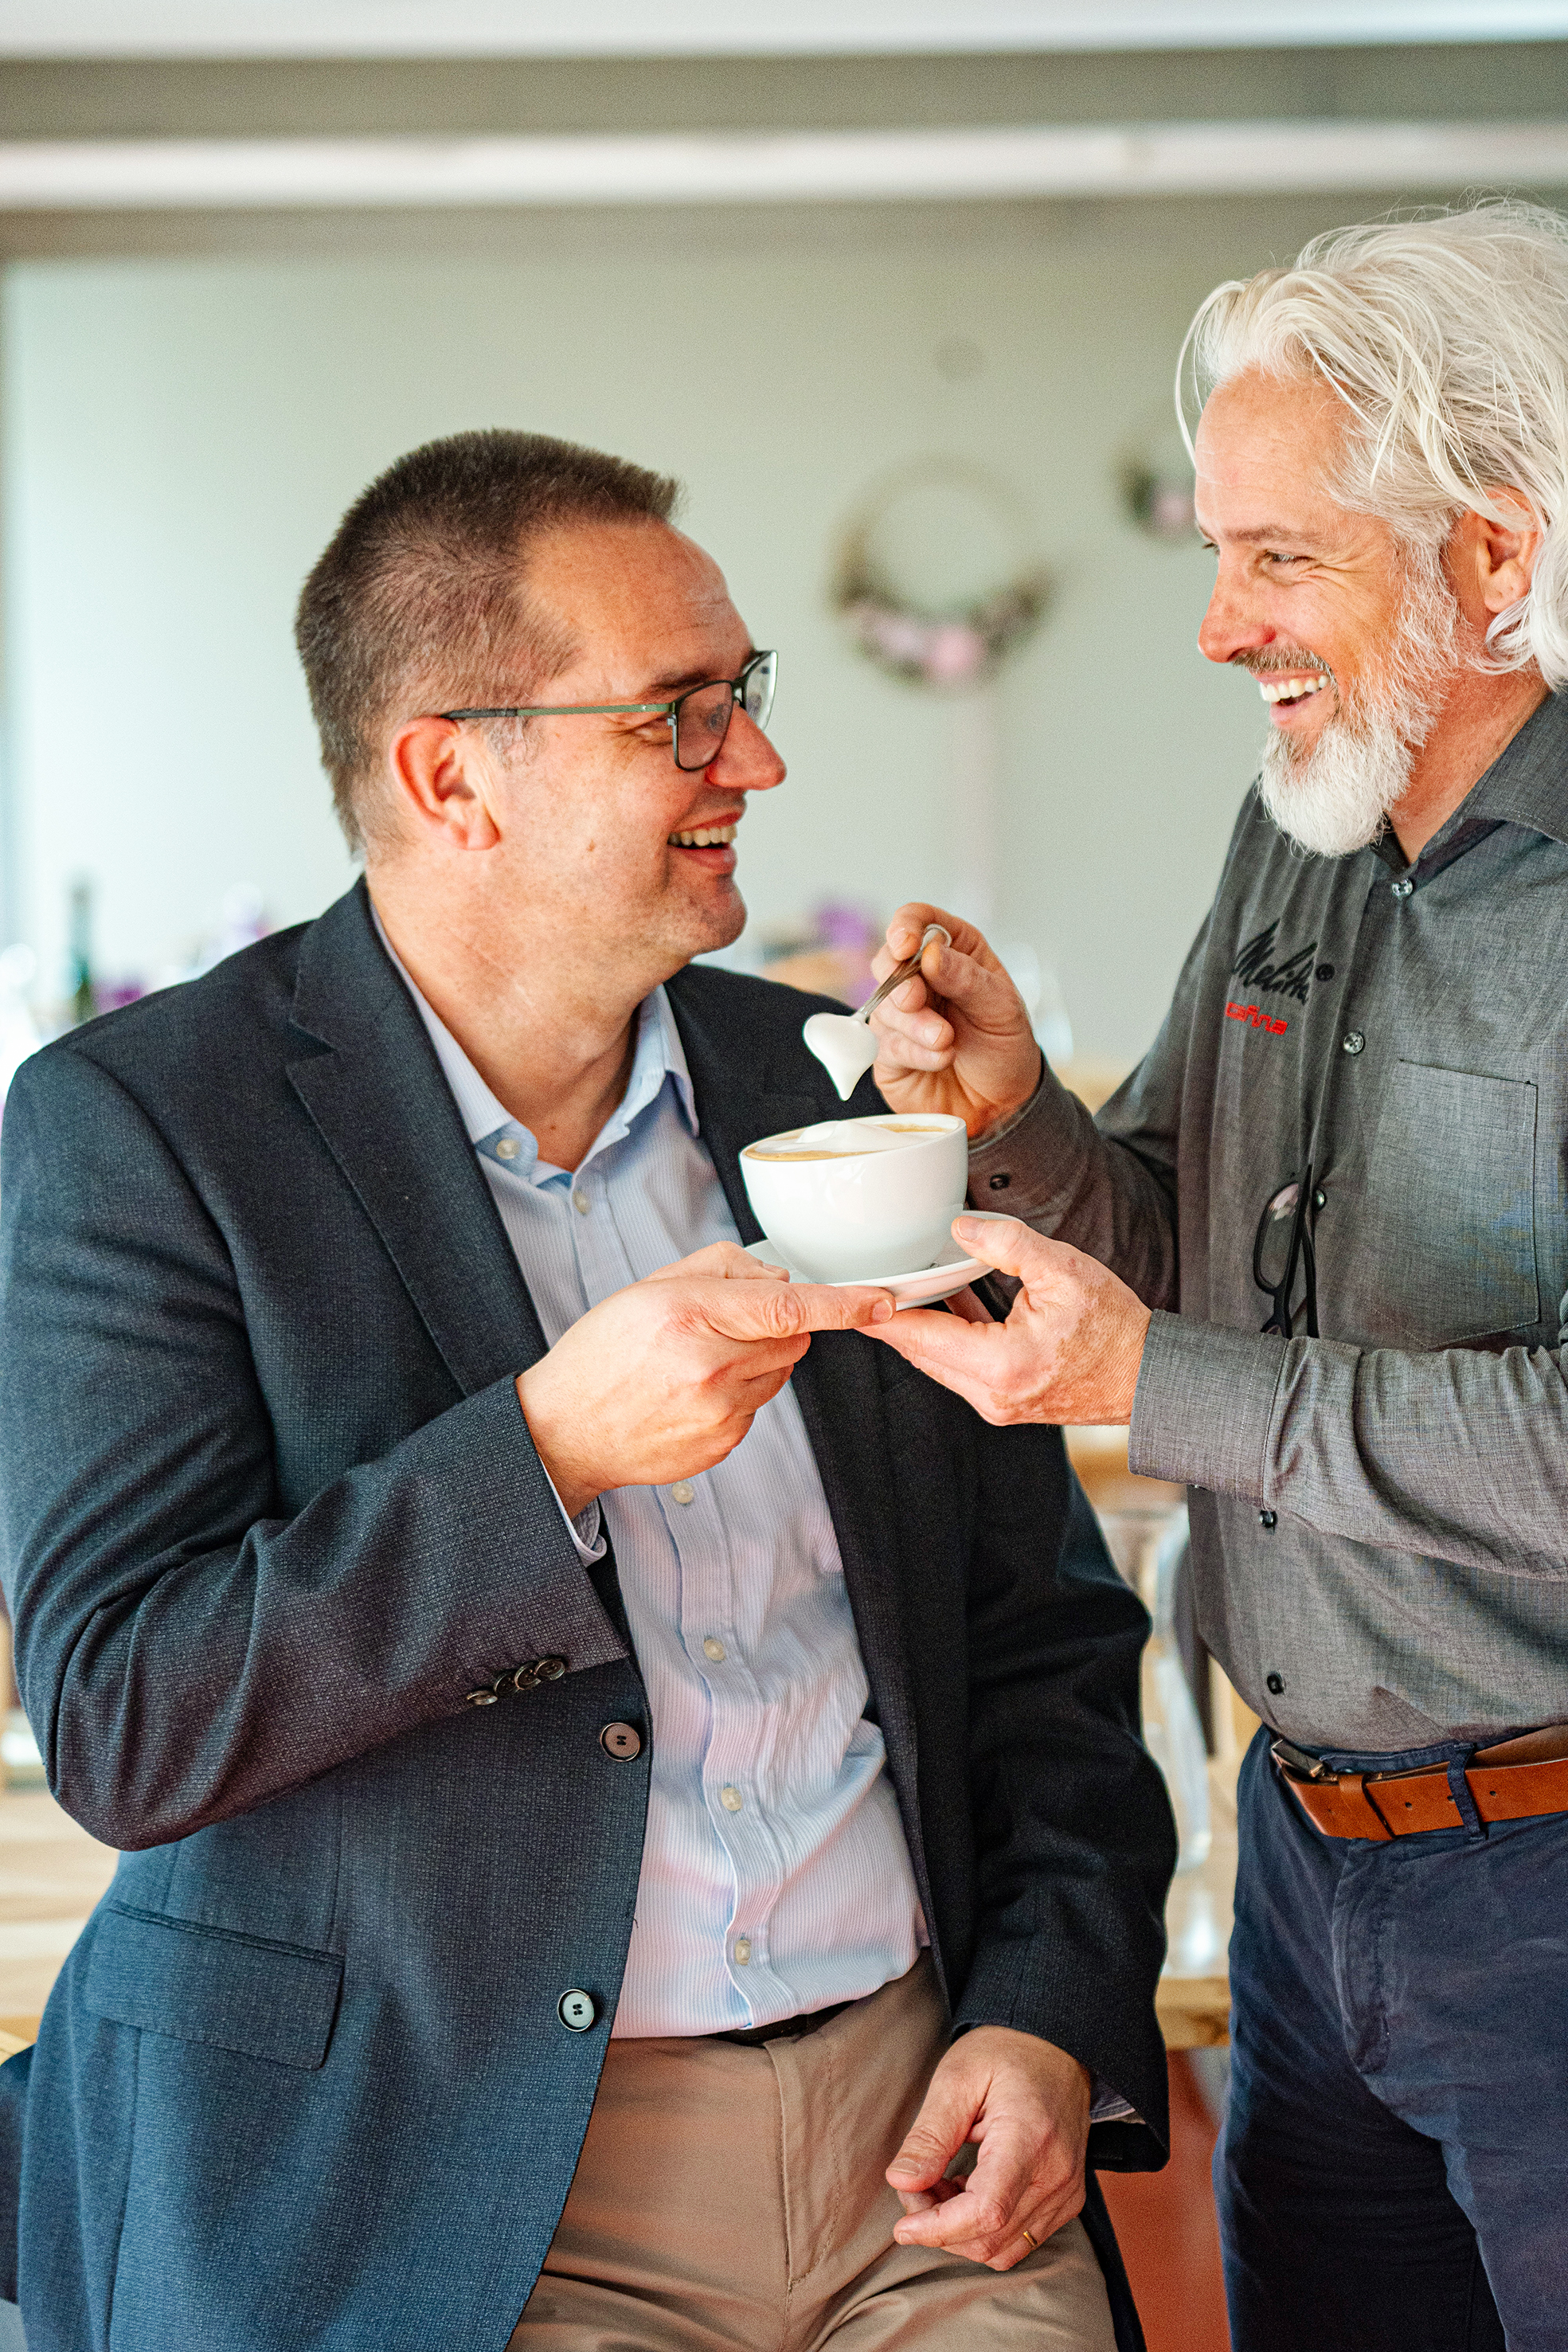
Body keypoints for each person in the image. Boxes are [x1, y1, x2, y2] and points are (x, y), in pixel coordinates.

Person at [0, 430, 1175, 2352]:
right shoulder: (141, 1128)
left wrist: (1048, 2009)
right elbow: (130, 1715)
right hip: (452, 2186)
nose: (758, 766)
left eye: (748, 698)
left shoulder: (826, 1091)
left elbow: (1038, 1634)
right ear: (449, 772)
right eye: (680, 716)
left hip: (920, 2168)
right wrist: (541, 1454)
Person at [862, 198, 1568, 2352]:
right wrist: (1019, 1122)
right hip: (1302, 1864)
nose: (1215, 625)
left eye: (1282, 558)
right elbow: (1169, 1222)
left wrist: (1149, 1382)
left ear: (1495, 553)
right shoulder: (1300, 816)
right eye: (1214, 549)